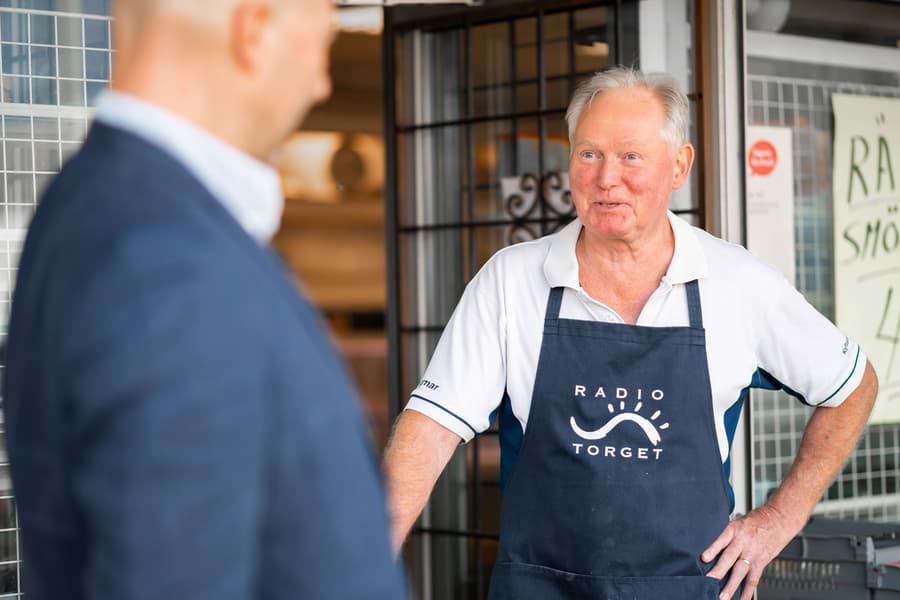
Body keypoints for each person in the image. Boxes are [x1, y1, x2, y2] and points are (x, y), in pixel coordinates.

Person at [383, 66, 879, 600]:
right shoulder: (510, 281)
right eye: (588, 153)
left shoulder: (737, 284)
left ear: (679, 166)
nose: (605, 178)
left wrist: (780, 518)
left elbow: (852, 385)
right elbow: (430, 430)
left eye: (630, 156)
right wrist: (359, 560)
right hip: (541, 588)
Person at [3, 1, 406, 599]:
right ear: (255, 30)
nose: (322, 84)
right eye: (320, 44)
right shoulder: (170, 265)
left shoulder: (86, 207)